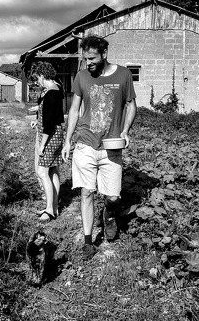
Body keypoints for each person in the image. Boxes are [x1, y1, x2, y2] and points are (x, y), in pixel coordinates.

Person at [61, 35, 137, 259]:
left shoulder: (124, 75)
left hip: (112, 147)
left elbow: (131, 105)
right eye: (85, 59)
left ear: (104, 54)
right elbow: (74, 110)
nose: (88, 63)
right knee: (86, 192)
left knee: (113, 197)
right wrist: (67, 141)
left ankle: (110, 214)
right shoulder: (82, 76)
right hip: (85, 144)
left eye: (92, 58)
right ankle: (88, 241)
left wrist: (125, 131)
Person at [29, 61, 64, 222]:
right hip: (56, 134)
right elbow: (53, 114)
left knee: (42, 172)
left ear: (43, 75)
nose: (37, 83)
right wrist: (38, 119)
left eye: (38, 79)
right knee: (53, 171)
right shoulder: (57, 88)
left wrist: (42, 145)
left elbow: (49, 124)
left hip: (50, 136)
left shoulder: (51, 93)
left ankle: (49, 210)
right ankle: (54, 208)